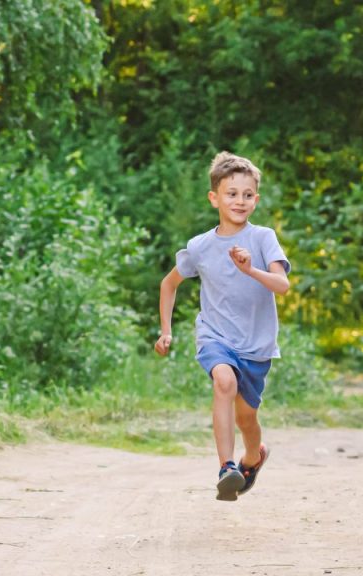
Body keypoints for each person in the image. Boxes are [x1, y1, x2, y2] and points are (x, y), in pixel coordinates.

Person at [155, 151, 291, 502]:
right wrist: (166, 329)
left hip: (257, 344)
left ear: (256, 200)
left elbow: (282, 286)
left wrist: (250, 270)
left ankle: (252, 456)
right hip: (215, 335)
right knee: (224, 381)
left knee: (247, 418)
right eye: (232, 193)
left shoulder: (263, 238)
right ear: (214, 197)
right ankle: (226, 467)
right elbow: (168, 285)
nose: (240, 201)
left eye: (247, 195)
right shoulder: (200, 246)